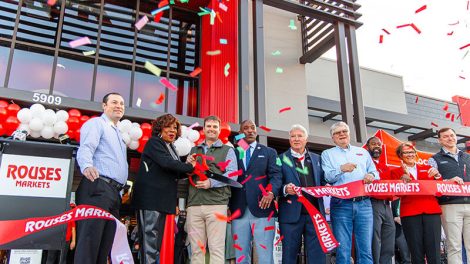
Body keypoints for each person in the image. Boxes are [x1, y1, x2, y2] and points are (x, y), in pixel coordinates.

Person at [132, 114, 196, 264]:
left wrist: (186, 166)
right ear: (160, 128)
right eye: (168, 126)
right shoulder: (154, 142)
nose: (172, 130)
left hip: (162, 201)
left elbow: (175, 171)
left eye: (175, 128)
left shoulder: (171, 147)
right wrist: (189, 167)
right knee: (150, 242)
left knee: (156, 244)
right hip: (150, 200)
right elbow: (167, 163)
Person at [75, 92, 128, 263]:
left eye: (121, 103)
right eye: (114, 102)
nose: (119, 106)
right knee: (90, 242)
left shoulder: (120, 135)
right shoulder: (97, 123)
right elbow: (86, 147)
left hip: (114, 194)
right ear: (104, 106)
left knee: (105, 246)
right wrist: (86, 165)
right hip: (97, 188)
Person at [321, 121, 379, 264]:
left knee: (366, 249)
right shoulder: (327, 154)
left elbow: (375, 172)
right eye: (337, 133)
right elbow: (327, 177)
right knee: (343, 249)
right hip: (341, 204)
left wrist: (371, 175)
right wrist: (342, 169)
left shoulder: (363, 152)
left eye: (344, 131)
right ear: (332, 137)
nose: (342, 134)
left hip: (364, 203)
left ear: (349, 134)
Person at [186, 115, 238, 263]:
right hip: (194, 205)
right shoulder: (194, 149)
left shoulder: (228, 150)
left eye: (215, 127)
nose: (211, 129)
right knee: (196, 250)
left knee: (216, 249)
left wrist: (211, 182)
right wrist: (189, 166)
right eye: (209, 126)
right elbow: (188, 173)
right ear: (204, 129)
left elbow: (233, 176)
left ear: (219, 130)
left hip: (217, 205)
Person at [229, 120, 282, 263]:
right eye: (245, 128)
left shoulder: (269, 152)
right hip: (238, 210)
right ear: (240, 133)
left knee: (265, 255)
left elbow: (276, 175)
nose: (250, 130)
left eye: (253, 128)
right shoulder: (234, 153)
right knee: (241, 256)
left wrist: (270, 193)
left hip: (263, 209)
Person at [279, 124, 326, 264]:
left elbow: (323, 181)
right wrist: (285, 188)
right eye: (293, 136)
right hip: (290, 215)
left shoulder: (318, 159)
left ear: (306, 139)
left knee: (317, 254)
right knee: (289, 254)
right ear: (289, 140)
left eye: (300, 136)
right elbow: (275, 182)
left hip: (315, 214)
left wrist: (327, 187)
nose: (296, 139)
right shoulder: (280, 158)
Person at [390, 142, 442, 264]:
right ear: (400, 155)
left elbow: (439, 191)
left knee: (434, 250)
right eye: (406, 152)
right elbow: (397, 194)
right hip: (410, 213)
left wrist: (437, 176)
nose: (410, 155)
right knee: (416, 251)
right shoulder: (396, 172)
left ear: (416, 154)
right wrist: (402, 181)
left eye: (412, 152)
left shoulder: (429, 169)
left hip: (431, 212)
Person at [428, 127, 470, 264]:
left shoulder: (468, 157)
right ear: (439, 140)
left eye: (452, 135)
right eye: (445, 136)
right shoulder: (434, 159)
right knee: (454, 246)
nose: (450, 138)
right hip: (449, 205)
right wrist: (448, 181)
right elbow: (433, 183)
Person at [365, 136, 395, 264]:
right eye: (373, 144)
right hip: (372, 203)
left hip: (386, 205)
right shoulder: (364, 163)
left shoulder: (385, 166)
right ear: (367, 147)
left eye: (379, 144)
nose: (376, 146)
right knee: (374, 239)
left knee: (389, 235)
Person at [391, 199, 411, 264]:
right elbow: (389, 214)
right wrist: (395, 218)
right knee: (404, 257)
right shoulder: (394, 200)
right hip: (398, 230)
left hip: (409, 228)